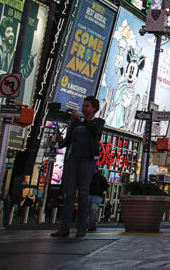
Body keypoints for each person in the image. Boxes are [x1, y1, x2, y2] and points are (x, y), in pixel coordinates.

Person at [51, 96, 104, 237]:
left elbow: (95, 130)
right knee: (69, 193)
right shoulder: (76, 123)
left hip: (87, 159)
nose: (84, 108)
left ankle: (82, 227)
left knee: (83, 193)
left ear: (93, 109)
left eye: (87, 106)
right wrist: (60, 141)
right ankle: (64, 227)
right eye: (83, 106)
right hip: (73, 159)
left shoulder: (98, 122)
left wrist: (80, 120)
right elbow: (68, 141)